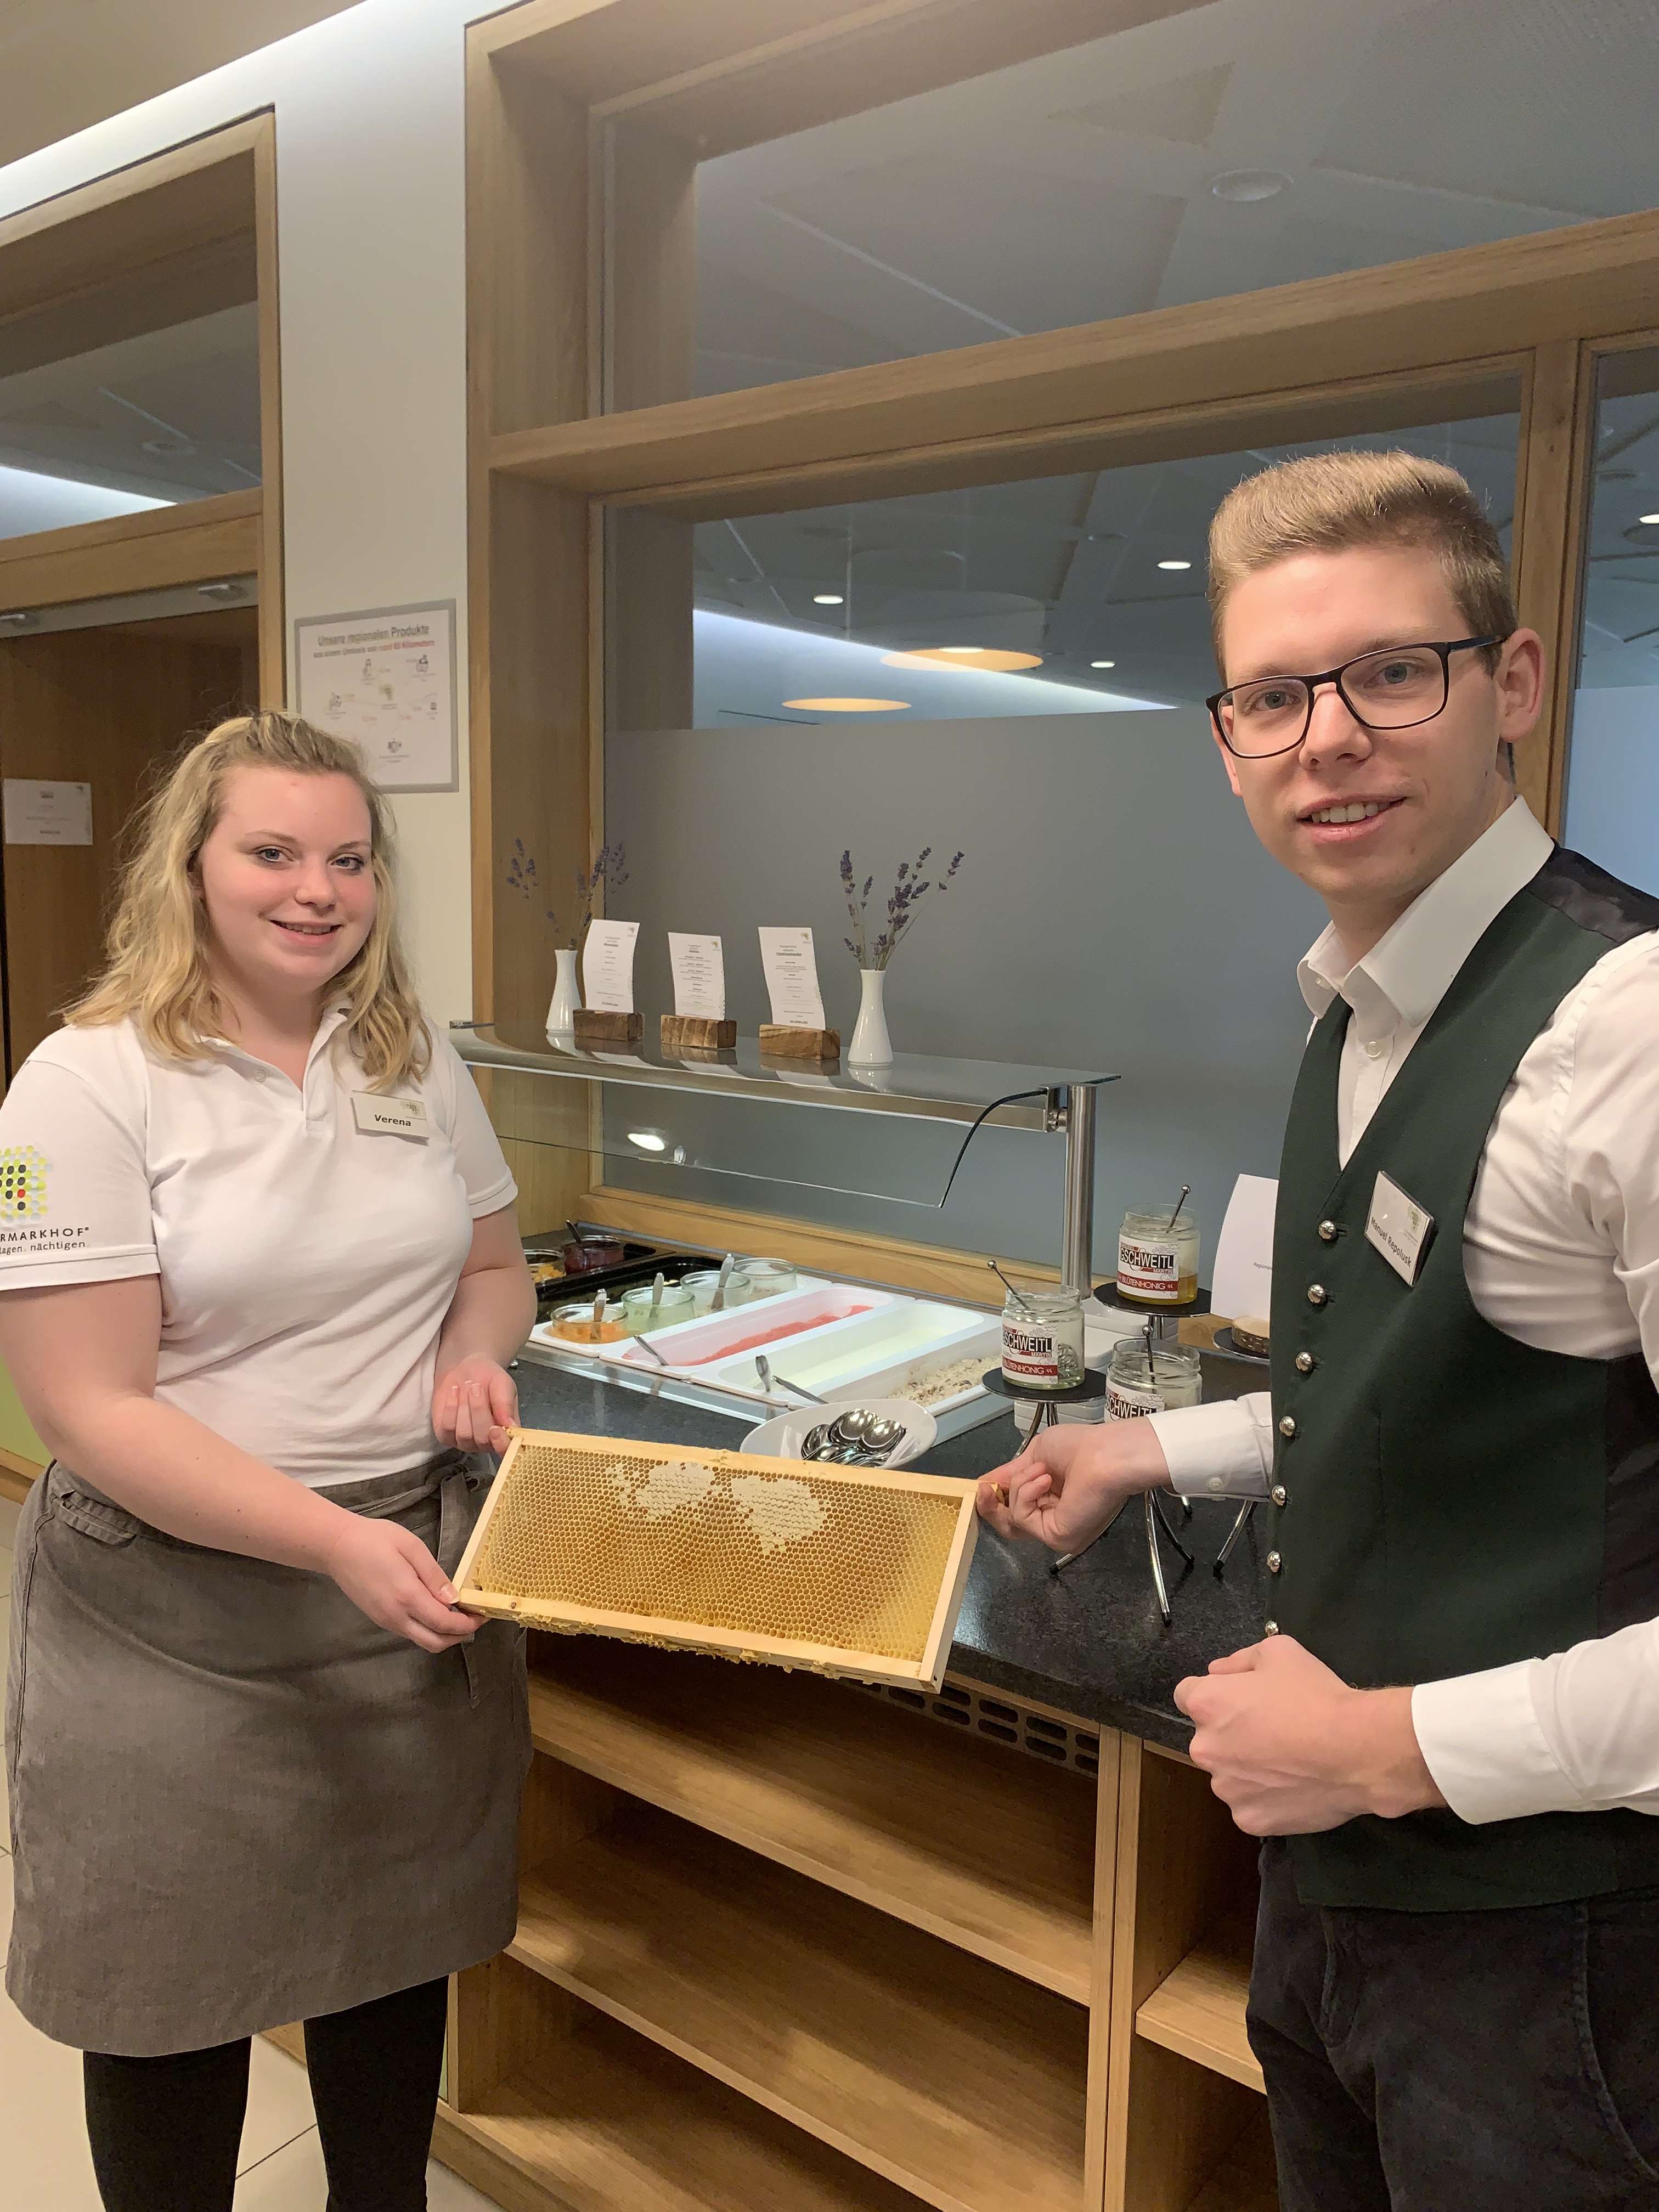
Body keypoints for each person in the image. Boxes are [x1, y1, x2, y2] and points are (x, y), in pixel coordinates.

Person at [978, 452, 1659, 2210]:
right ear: (1229, 742)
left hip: (1557, 1955)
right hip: (1335, 1891)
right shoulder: (1357, 1006)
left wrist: (1381, 1749)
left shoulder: (1629, 1037)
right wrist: (1146, 1447)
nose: (1328, 738)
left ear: (1512, 685)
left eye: (1391, 673)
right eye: (1274, 696)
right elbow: (1401, 1383)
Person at [0, 711, 535, 2212]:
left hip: (406, 1575)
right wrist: (330, 1539)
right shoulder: (85, 1081)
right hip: (171, 1611)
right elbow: (89, 1409)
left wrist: (474, 1356)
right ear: (191, 867)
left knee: (393, 1950)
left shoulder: (410, 1055)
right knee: (168, 1983)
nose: (318, 890)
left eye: (349, 859)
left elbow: (496, 1269)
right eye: (275, 852)